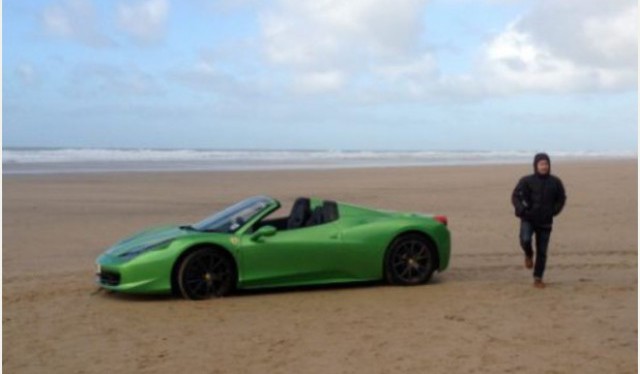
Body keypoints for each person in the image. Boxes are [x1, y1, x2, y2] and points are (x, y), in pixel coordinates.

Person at [511, 153, 566, 288]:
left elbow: (561, 198)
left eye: (546, 164)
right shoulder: (526, 181)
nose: (544, 166)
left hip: (545, 221)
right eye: (541, 164)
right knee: (525, 239)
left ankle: (538, 278)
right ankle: (528, 254)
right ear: (536, 165)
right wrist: (522, 210)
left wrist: (554, 211)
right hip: (528, 218)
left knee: (542, 251)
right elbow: (515, 196)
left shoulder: (555, 182)